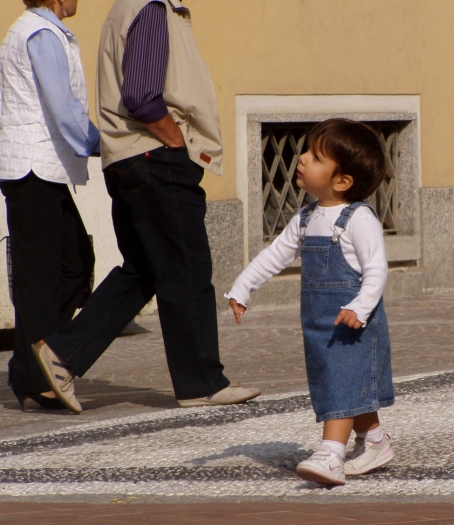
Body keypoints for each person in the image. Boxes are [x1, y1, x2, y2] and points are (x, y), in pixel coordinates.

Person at [31, 0, 261, 414]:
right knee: (187, 269)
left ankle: (63, 352)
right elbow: (141, 94)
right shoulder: (152, 8)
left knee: (143, 271)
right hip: (157, 158)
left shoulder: (128, 9)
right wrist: (176, 140)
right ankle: (201, 382)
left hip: (129, 161)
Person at [228, 118, 395, 486]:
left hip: (352, 323)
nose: (302, 159)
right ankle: (375, 441)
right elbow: (275, 255)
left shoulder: (358, 218)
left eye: (316, 157)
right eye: (306, 150)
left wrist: (360, 306)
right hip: (319, 323)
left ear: (342, 181)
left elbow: (376, 269)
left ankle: (330, 454)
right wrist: (243, 286)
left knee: (341, 382)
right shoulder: (306, 218)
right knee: (344, 383)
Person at [0, 0, 98, 411]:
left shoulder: (40, 30)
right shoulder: (40, 33)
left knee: (73, 265)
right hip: (32, 170)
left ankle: (40, 362)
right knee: (41, 278)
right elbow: (63, 109)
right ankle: (37, 378)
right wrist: (101, 142)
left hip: (42, 170)